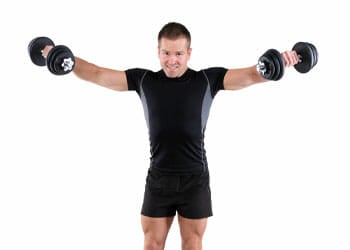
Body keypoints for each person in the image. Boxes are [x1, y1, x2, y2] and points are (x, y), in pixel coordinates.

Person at [42, 22, 299, 250]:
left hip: (194, 178)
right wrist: (66, 60)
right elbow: (98, 74)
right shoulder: (144, 80)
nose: (172, 60)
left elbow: (253, 74)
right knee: (152, 244)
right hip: (159, 177)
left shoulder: (207, 80)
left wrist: (285, 60)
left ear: (189, 53)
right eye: (166, 53)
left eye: (178, 53)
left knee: (192, 245)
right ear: (158, 52)